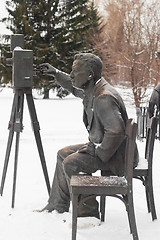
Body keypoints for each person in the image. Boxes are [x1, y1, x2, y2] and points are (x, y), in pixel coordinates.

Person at [38, 53, 139, 218]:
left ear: (90, 74)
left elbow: (116, 131)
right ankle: (57, 205)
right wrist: (55, 73)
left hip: (116, 156)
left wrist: (98, 154)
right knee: (63, 154)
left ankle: (88, 214)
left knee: (71, 163)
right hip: (106, 147)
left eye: (75, 71)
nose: (71, 75)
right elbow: (73, 86)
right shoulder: (93, 88)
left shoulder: (103, 97)